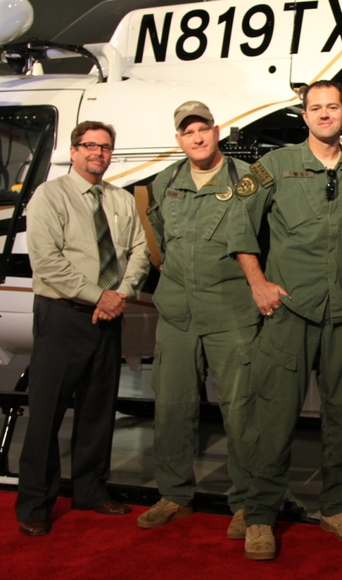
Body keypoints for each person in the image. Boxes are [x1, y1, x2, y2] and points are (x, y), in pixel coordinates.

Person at [233, 81, 342, 560]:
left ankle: (336, 506)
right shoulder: (273, 167)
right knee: (273, 415)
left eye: (333, 106)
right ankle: (260, 514)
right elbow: (238, 227)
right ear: (303, 116)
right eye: (316, 108)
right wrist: (257, 283)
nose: (325, 114)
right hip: (290, 310)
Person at [15, 120, 150, 536]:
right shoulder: (48, 196)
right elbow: (47, 261)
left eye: (106, 147)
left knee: (98, 409)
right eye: (89, 145)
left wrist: (120, 294)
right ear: (73, 151)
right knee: (46, 414)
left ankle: (91, 490)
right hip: (63, 314)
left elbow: (140, 251)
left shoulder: (121, 199)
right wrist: (99, 296)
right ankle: (35, 505)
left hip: (108, 315)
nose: (98, 153)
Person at [136, 101, 261, 535]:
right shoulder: (165, 180)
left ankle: (247, 503)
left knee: (241, 411)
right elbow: (159, 237)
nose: (197, 137)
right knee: (172, 408)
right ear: (179, 139)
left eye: (203, 128)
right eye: (187, 132)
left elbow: (264, 236)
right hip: (177, 315)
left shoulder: (248, 178)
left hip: (232, 312)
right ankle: (174, 494)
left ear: (217, 130)